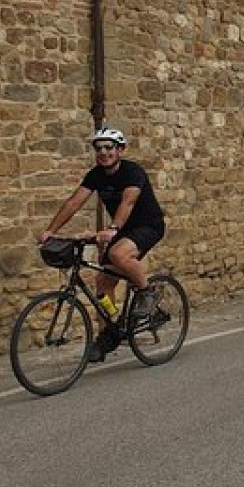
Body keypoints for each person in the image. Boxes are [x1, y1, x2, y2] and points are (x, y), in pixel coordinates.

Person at [37, 127, 166, 361]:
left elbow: (128, 202)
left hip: (148, 225)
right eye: (99, 148)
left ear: (120, 150)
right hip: (121, 229)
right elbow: (74, 202)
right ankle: (109, 334)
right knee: (103, 282)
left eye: (109, 147)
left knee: (118, 254)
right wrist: (50, 231)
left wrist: (112, 230)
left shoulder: (132, 172)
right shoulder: (96, 175)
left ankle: (147, 292)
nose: (104, 152)